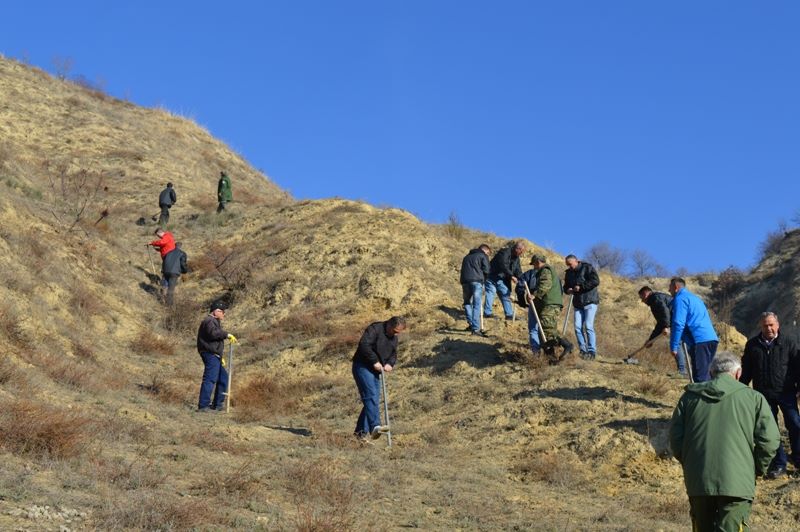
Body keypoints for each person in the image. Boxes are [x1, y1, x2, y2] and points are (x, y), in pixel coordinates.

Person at [669, 351, 779, 532]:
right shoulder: (754, 398)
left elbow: (675, 438)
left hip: (699, 480)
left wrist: (692, 464)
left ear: (711, 372)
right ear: (738, 373)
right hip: (738, 482)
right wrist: (756, 468)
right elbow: (769, 441)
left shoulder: (689, 397)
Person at [740, 312, 800, 479]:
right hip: (763, 395)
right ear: (761, 326)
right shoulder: (752, 345)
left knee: (795, 424)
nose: (769, 328)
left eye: (772, 325)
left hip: (786, 392)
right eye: (765, 325)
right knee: (771, 431)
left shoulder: (788, 342)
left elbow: (797, 366)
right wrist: (737, 389)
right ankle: (779, 463)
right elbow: (746, 371)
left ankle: (798, 458)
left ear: (778, 325)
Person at [352, 316, 406, 441]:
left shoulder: (394, 338)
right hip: (363, 366)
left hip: (376, 370)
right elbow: (364, 345)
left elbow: (393, 354)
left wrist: (390, 364)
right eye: (395, 331)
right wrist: (374, 361)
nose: (397, 334)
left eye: (399, 332)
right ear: (389, 325)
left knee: (373, 400)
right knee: (370, 396)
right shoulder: (375, 329)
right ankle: (375, 426)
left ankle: (360, 434)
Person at [669, 277, 718, 382]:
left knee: (700, 377)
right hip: (711, 339)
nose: (669, 291)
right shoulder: (695, 298)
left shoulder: (680, 299)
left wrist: (674, 345)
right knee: (708, 375)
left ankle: (701, 398)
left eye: (670, 288)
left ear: (676, 287)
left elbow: (678, 323)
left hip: (699, 340)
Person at [530, 254, 573, 363]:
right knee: (546, 331)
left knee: (547, 330)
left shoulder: (545, 270)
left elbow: (545, 284)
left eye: (534, 265)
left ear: (537, 262)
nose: (534, 267)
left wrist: (535, 294)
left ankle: (567, 345)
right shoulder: (548, 271)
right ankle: (552, 358)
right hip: (550, 303)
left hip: (550, 304)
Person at [196, 301, 237, 412]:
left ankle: (217, 405)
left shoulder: (214, 321)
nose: (224, 313)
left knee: (223, 378)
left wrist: (220, 356)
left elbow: (214, 339)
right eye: (222, 311)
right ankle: (203, 406)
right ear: (216, 311)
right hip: (209, 354)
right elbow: (213, 334)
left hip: (215, 355)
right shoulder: (209, 321)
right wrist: (226, 335)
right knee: (210, 379)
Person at [564, 255, 600, 359]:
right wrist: (568, 290)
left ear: (577, 261)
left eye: (570, 264)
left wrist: (581, 287)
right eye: (567, 265)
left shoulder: (587, 268)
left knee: (588, 326)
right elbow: (565, 287)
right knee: (577, 327)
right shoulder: (568, 273)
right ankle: (583, 350)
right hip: (577, 303)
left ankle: (592, 351)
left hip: (590, 301)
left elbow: (595, 281)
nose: (569, 267)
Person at [625, 286, 672, 365]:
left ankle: (682, 370)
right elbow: (660, 322)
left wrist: (666, 326)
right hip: (675, 320)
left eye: (641, 297)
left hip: (680, 320)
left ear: (645, 294)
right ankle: (682, 370)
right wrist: (651, 340)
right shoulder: (654, 300)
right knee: (677, 344)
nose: (642, 301)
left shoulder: (656, 299)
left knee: (677, 344)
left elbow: (665, 312)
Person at [484, 241, 525, 321]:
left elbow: (518, 270)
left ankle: (509, 315)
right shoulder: (504, 252)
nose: (522, 253)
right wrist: (511, 276)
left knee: (505, 293)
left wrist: (522, 279)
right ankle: (487, 313)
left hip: (501, 279)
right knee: (491, 292)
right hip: (492, 276)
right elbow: (503, 265)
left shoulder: (516, 259)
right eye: (521, 251)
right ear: (517, 249)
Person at [460, 244, 491, 337]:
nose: (488, 255)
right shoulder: (483, 255)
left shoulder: (466, 257)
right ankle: (475, 329)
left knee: (467, 303)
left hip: (465, 282)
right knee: (477, 304)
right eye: (488, 253)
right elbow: (487, 270)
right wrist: (484, 281)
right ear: (484, 250)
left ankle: (471, 323)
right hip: (477, 282)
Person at [516, 258, 540, 354]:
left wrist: (521, 301)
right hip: (548, 305)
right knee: (545, 328)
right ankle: (546, 352)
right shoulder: (551, 273)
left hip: (534, 302)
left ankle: (536, 352)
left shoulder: (530, 273)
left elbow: (520, 286)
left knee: (533, 328)